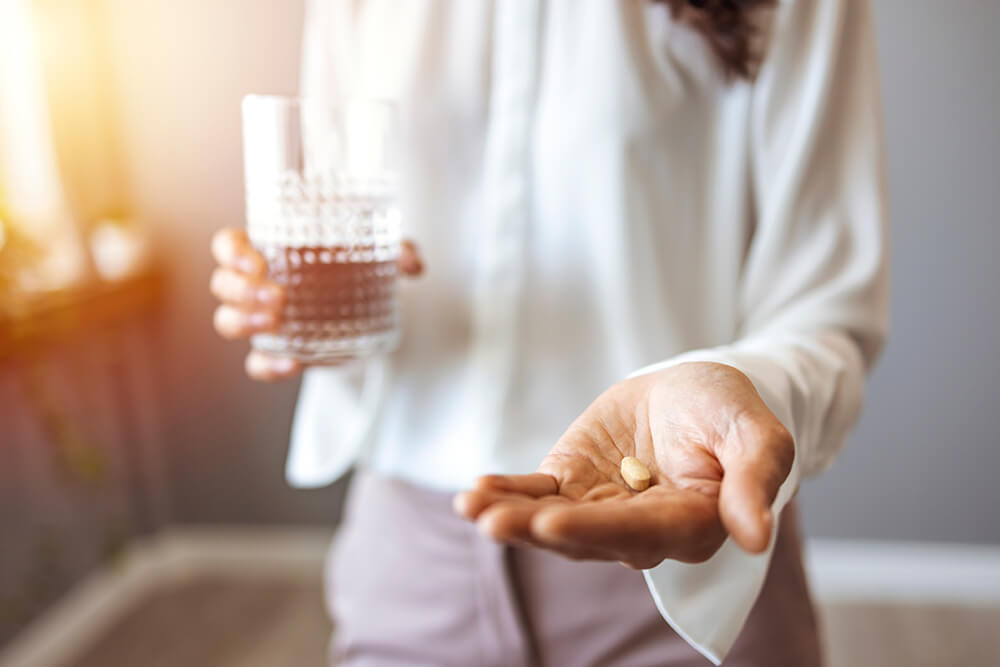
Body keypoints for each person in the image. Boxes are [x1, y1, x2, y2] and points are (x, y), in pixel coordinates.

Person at [210, 0, 887, 664]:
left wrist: (743, 390)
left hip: (675, 561)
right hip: (411, 560)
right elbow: (337, 219)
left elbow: (825, 304)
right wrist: (294, 307)